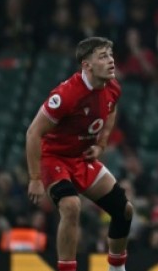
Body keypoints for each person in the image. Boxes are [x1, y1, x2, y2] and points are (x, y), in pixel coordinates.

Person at [25, 37, 133, 271]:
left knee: (124, 210)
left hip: (82, 159)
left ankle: (116, 269)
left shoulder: (112, 87)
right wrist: (34, 178)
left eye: (111, 55)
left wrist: (101, 145)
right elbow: (33, 133)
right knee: (71, 206)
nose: (111, 61)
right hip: (55, 159)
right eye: (103, 56)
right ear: (87, 65)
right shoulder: (66, 95)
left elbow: (111, 110)